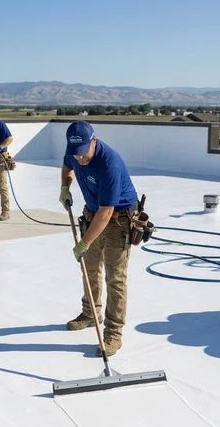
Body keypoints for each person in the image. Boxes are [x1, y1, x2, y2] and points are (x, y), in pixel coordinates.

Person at [59, 121, 138, 357]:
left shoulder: (109, 163)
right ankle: (90, 314)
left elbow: (107, 211)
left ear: (94, 141)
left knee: (115, 278)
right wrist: (65, 188)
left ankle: (113, 332)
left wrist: (84, 242)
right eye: (77, 154)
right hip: (92, 213)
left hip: (118, 218)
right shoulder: (74, 150)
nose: (80, 159)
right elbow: (66, 167)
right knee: (89, 268)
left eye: (84, 153)